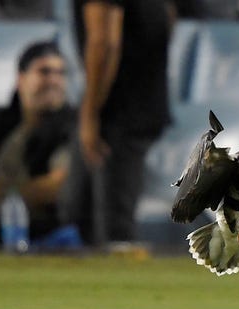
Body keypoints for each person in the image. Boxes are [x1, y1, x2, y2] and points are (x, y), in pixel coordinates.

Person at [61, 0, 175, 245]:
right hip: (137, 100)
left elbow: (104, 43)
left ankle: (127, 282)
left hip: (117, 111)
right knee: (79, 214)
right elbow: (166, 18)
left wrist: (89, 114)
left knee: (112, 229)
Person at [0, 41, 77, 245]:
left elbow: (58, 187)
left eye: (60, 73)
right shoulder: (1, 125)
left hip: (50, 234)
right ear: (21, 78)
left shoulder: (73, 126)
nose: (54, 80)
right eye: (44, 72)